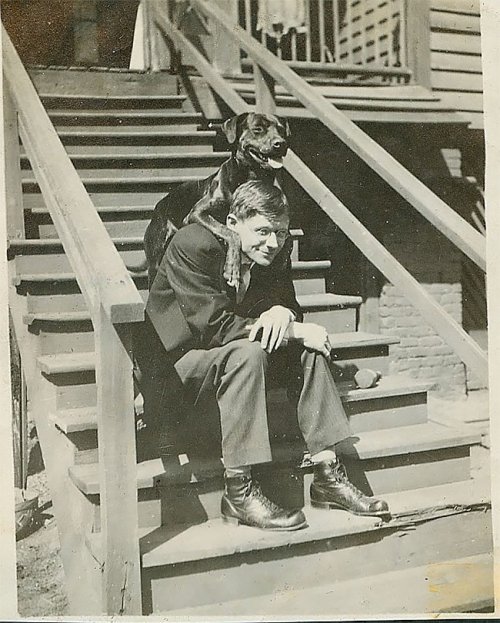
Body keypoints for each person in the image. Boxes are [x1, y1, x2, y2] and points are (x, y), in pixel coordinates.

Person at [141, 180, 389, 531]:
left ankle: (327, 475)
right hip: (174, 371)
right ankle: (238, 491)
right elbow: (212, 327)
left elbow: (288, 306)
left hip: (228, 362)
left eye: (280, 232)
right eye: (262, 231)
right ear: (232, 223)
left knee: (309, 348)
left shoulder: (272, 251)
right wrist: (291, 329)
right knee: (250, 352)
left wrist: (283, 313)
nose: (272, 242)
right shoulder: (192, 243)